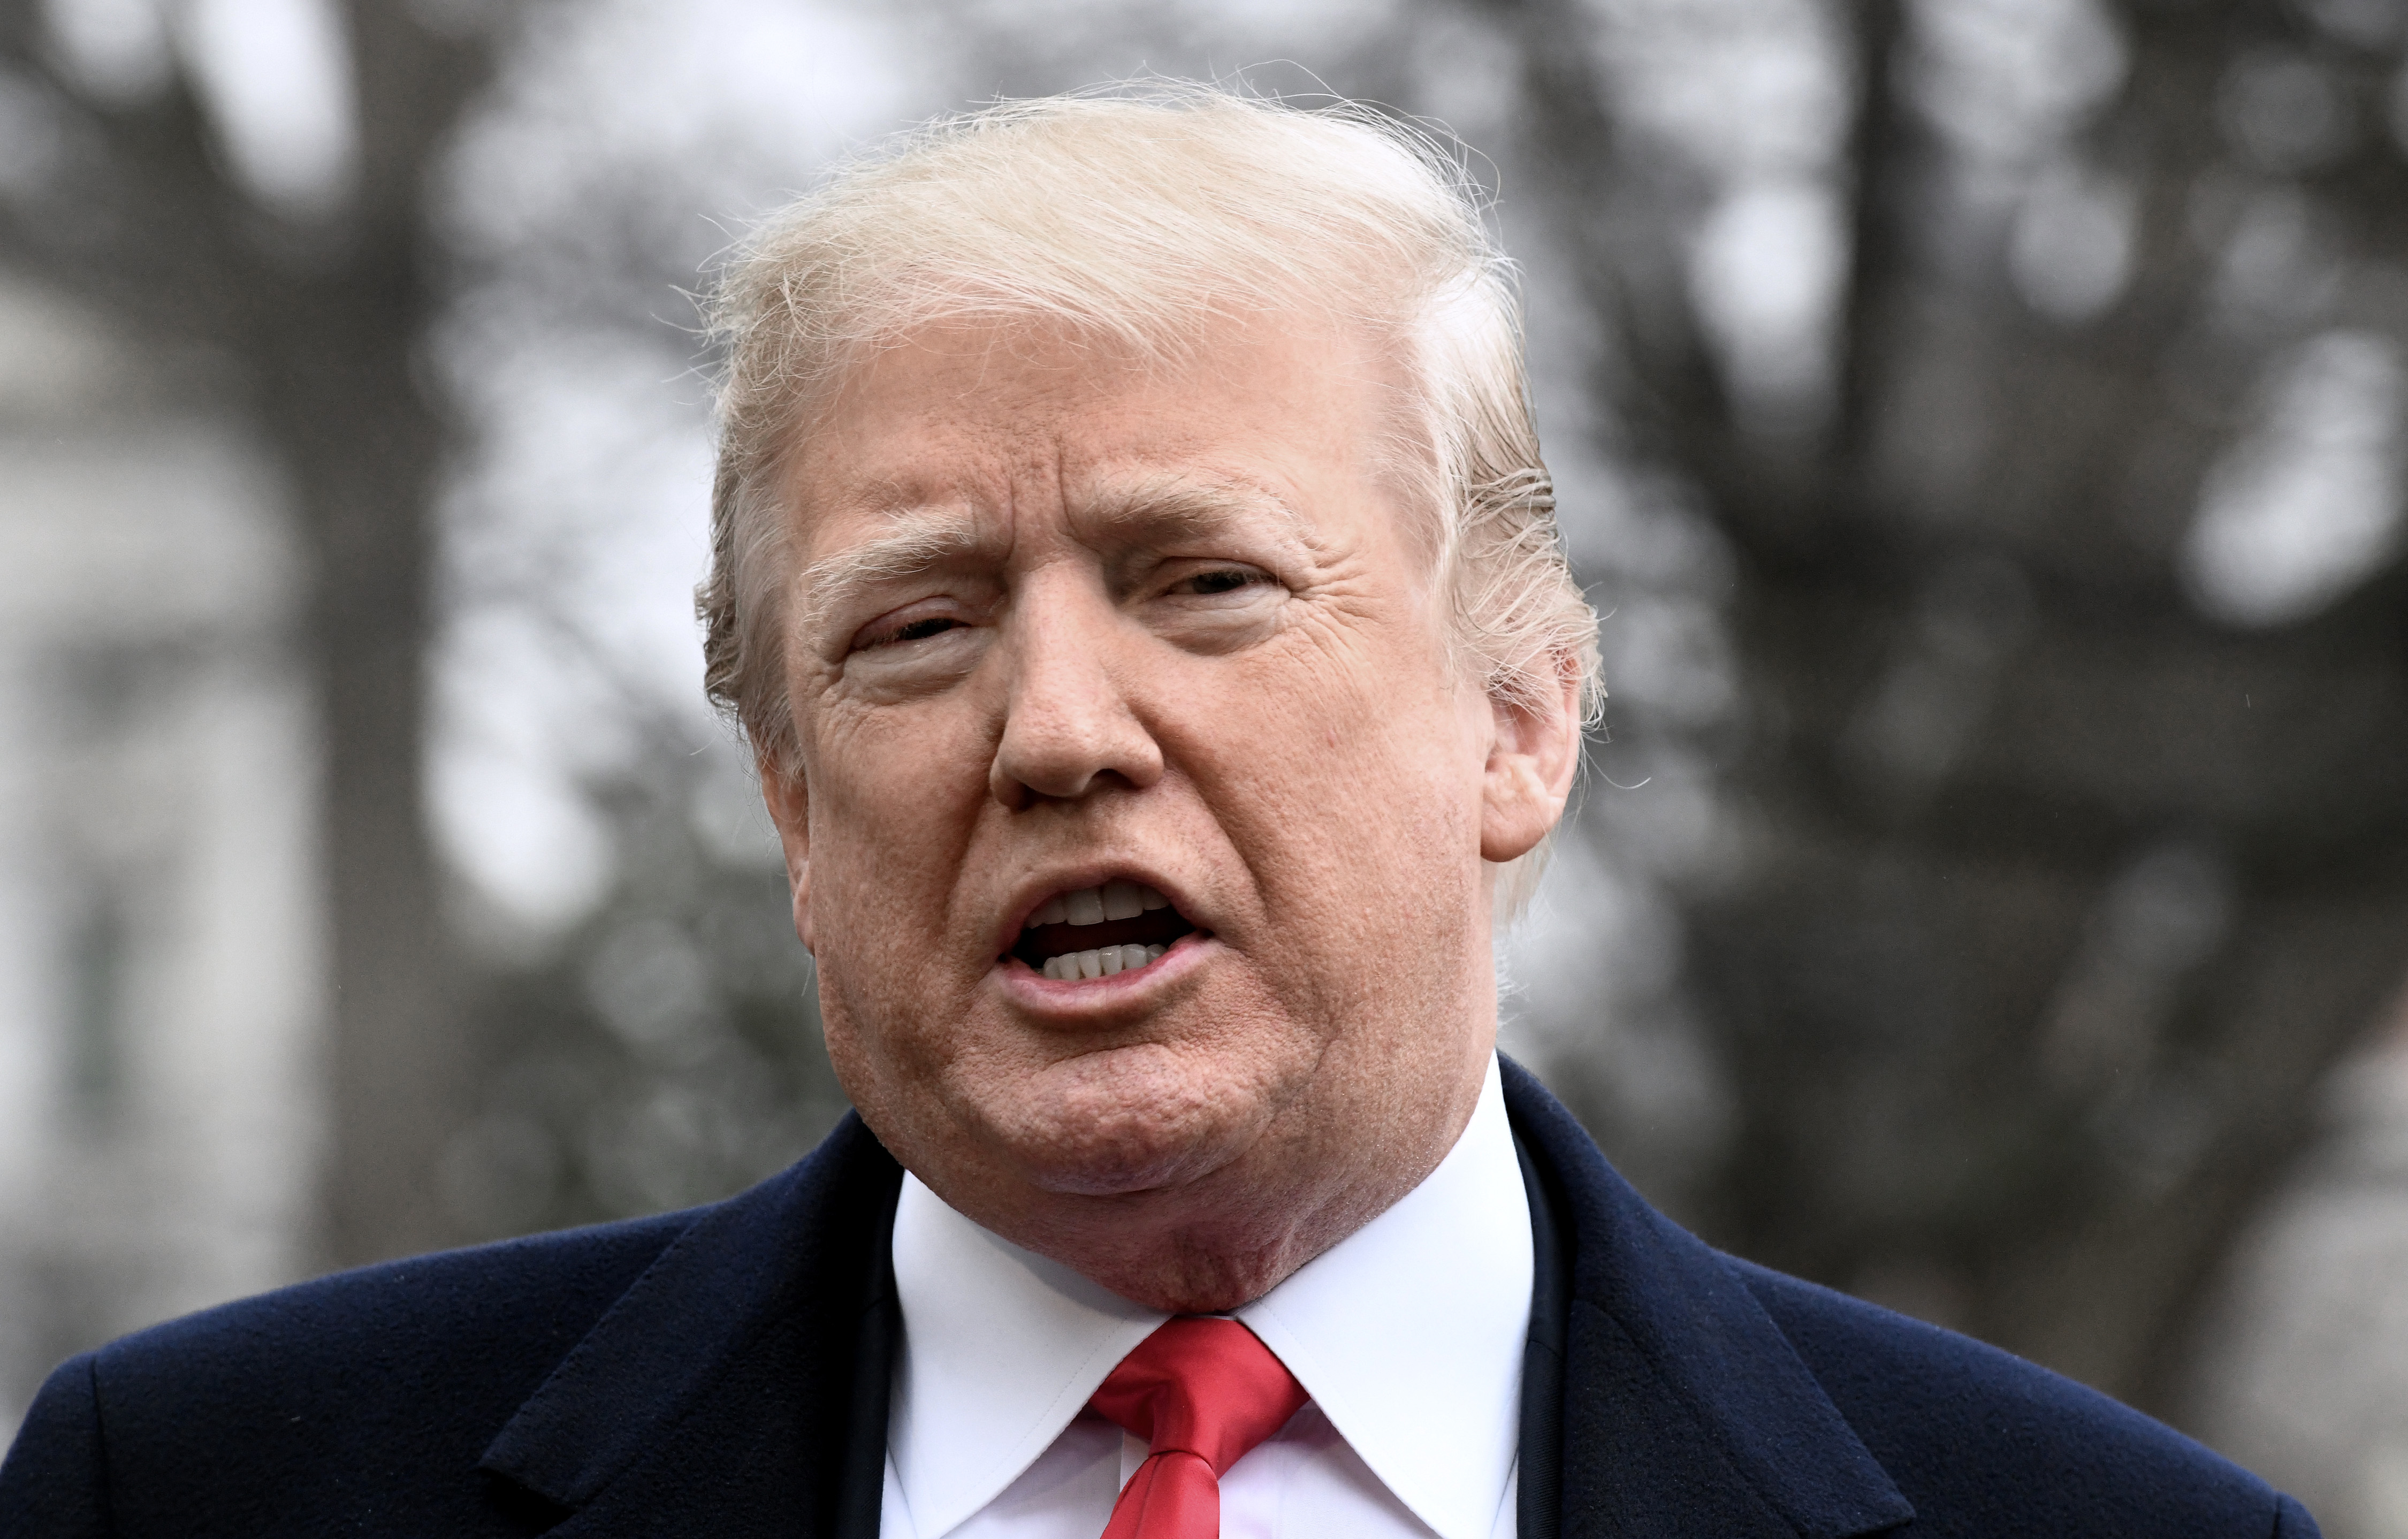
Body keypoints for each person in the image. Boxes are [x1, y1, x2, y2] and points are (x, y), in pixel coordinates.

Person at [0, 86, 2319, 1539]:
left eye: (1203, 583)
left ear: (1521, 717)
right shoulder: (198, 1491)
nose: (1055, 729)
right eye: (917, 626)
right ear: (793, 809)